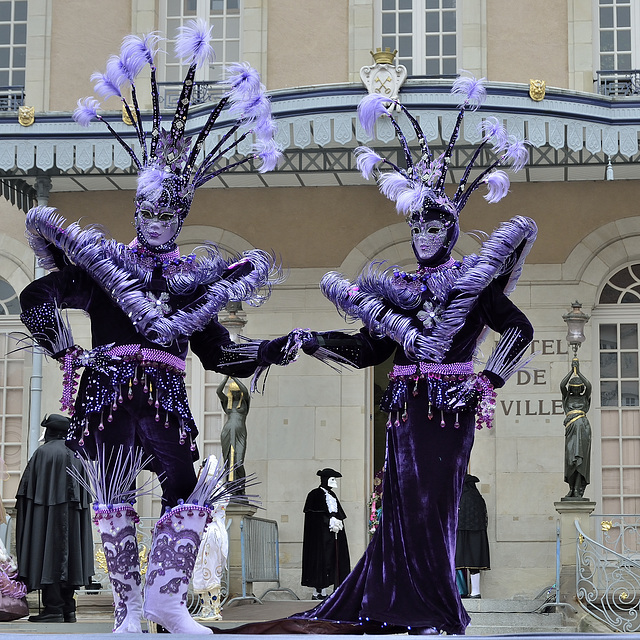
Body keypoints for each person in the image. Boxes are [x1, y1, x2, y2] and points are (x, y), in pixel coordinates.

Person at [217, 74, 535, 635]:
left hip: (448, 408)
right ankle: (396, 601)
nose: (425, 234)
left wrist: (487, 379)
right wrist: (315, 341)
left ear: (451, 228)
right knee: (402, 510)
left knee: (437, 510)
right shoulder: (399, 290)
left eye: (435, 224)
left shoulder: (473, 285)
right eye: (417, 223)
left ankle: (435, 607)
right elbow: (369, 348)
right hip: (406, 406)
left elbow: (519, 329)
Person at [18, 21, 292, 635]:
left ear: (181, 215)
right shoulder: (101, 265)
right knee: (113, 497)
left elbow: (220, 352)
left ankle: (167, 603)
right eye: (149, 210)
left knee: (184, 489)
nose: (158, 221)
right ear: (137, 208)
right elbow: (36, 295)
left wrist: (279, 347)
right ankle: (129, 610)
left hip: (167, 401)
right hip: (108, 394)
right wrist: (67, 353)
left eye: (169, 212)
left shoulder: (194, 279)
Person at [15, 414, 94, 623]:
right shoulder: (78, 454)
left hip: (48, 517)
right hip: (73, 519)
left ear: (51, 432)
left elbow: (26, 492)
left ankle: (53, 608)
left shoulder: (43, 453)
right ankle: (68, 607)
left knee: (49, 554)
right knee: (71, 556)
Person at [301, 469, 350, 600]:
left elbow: (337, 512)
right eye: (332, 479)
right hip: (320, 537)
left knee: (331, 560)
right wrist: (329, 521)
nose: (334, 482)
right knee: (320, 561)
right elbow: (314, 516)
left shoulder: (332, 495)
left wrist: (337, 522)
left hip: (332, 535)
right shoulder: (315, 494)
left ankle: (326, 591)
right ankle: (317, 592)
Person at [192, 455, 229, 622]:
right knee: (200, 570)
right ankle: (205, 608)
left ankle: (215, 609)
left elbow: (212, 511)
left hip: (212, 531)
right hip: (202, 532)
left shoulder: (218, 489)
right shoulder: (203, 488)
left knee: (211, 569)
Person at [561, 357, 592, 500]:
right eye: (573, 387)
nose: (576, 389)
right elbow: (562, 385)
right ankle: (571, 488)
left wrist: (578, 372)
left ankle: (578, 489)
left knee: (582, 459)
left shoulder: (585, 398)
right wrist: (571, 371)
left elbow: (589, 385)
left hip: (583, 428)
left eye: (578, 387)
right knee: (570, 460)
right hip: (571, 429)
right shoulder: (567, 398)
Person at [455, 474, 490, 599]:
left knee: (457, 562)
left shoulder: (460, 498)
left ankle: (461, 591)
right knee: (475, 564)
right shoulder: (478, 498)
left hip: (460, 532)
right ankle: (475, 591)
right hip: (477, 534)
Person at [217, 376, 250, 494]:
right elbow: (218, 391)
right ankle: (230, 489)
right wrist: (226, 377)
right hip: (227, 431)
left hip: (240, 433)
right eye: (233, 392)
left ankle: (241, 490)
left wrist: (234, 377)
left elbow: (245, 390)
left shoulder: (245, 402)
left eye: (237, 392)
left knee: (239, 462)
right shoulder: (227, 402)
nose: (236, 394)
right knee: (228, 461)